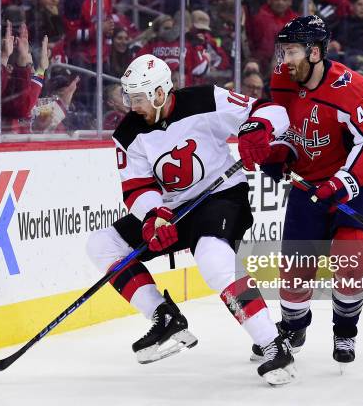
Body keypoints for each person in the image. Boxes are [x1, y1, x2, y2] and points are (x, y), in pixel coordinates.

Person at [85, 54, 296, 385]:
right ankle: (163, 315)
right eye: (129, 97)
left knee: (212, 257)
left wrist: (259, 128)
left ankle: (273, 343)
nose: (132, 105)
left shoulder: (205, 98)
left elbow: (269, 110)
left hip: (221, 197)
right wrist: (154, 216)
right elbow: (137, 187)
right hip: (172, 210)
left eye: (138, 98)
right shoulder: (127, 133)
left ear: (159, 93)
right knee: (102, 244)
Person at [238, 15, 363, 367]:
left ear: (314, 52)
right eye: (282, 50)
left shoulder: (349, 88)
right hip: (311, 181)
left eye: (291, 50)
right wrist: (276, 153)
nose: (284, 59)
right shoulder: (283, 78)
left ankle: (345, 331)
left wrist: (343, 183)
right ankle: (293, 328)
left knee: (350, 250)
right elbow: (288, 124)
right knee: (295, 265)